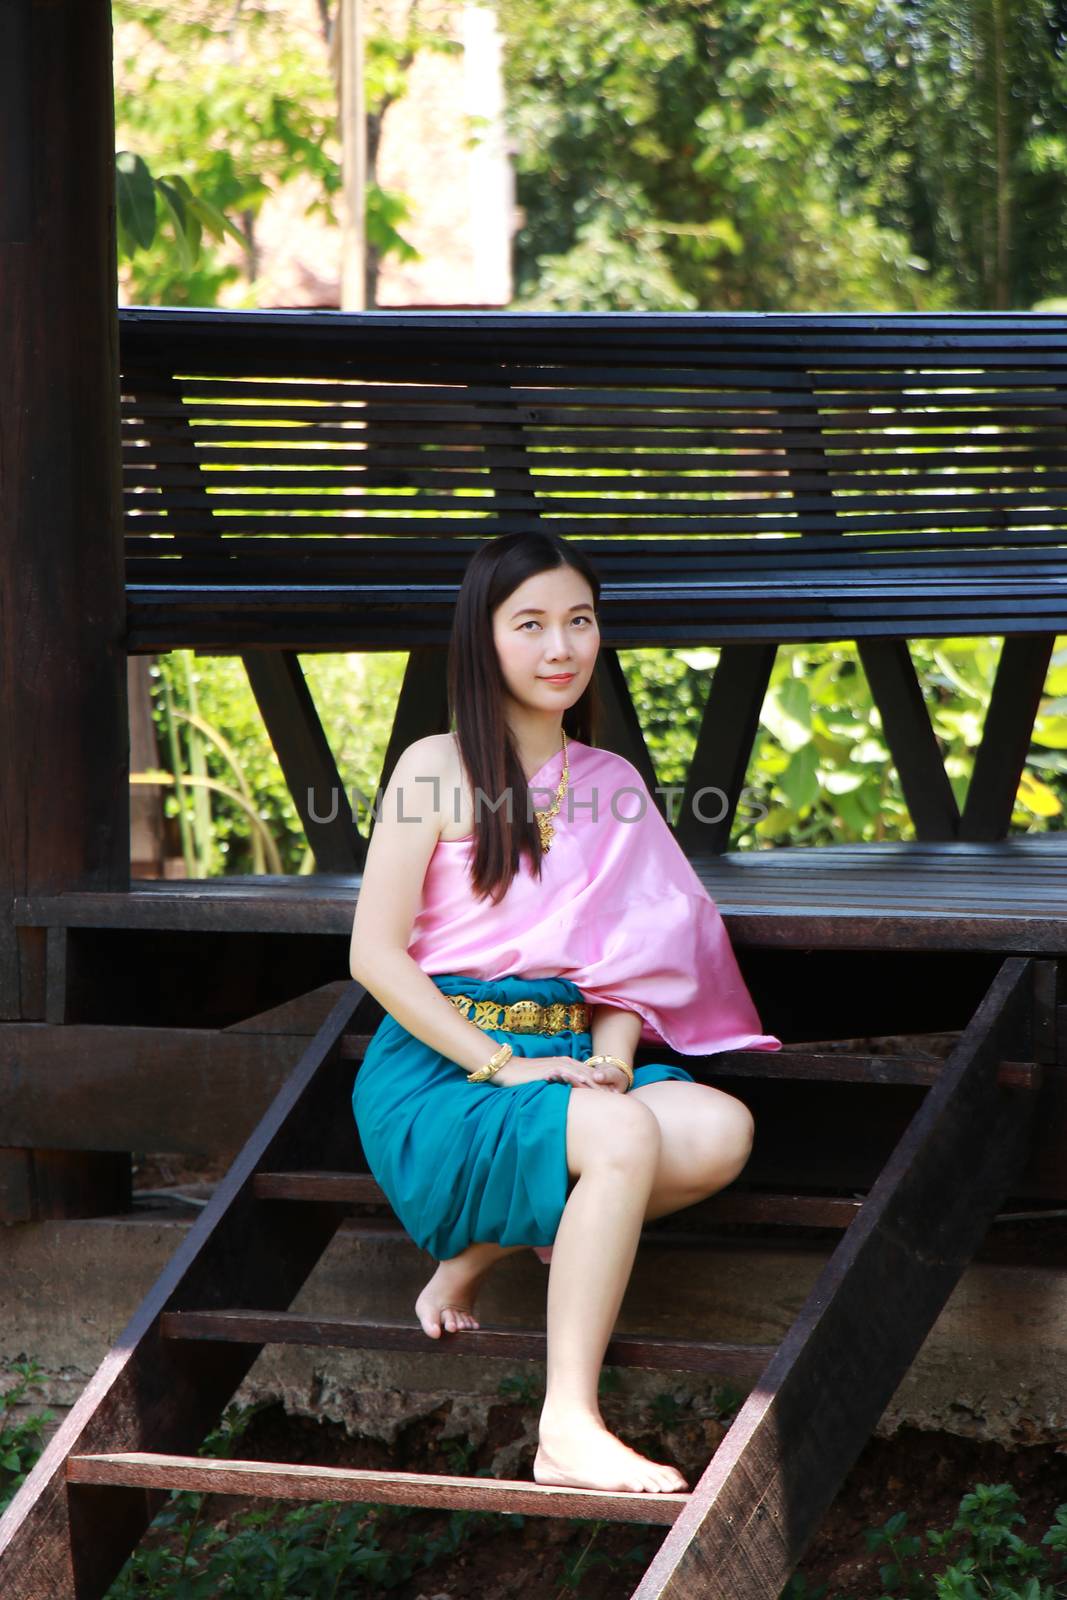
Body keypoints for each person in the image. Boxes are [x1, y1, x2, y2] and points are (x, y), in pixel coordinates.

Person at [349, 530, 780, 1496]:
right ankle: (568, 1425)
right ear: (483, 640)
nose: (560, 648)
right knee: (620, 1138)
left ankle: (471, 1257)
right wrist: (502, 1065)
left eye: (578, 622)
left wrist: (614, 1064)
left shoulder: (611, 785)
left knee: (716, 1128)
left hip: (575, 1063)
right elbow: (373, 956)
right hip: (444, 1071)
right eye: (530, 624)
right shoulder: (434, 766)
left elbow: (630, 967)